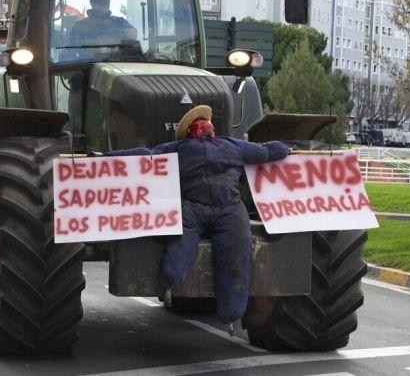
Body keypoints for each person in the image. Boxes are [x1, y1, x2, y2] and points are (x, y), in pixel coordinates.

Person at [106, 105, 290, 326]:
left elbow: (146, 155)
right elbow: (266, 151)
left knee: (180, 252)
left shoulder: (177, 148)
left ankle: (171, 285)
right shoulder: (231, 145)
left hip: (193, 209)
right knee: (236, 257)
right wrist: (286, 149)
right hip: (228, 209)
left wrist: (105, 157)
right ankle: (230, 313)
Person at [69, 0, 137, 49]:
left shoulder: (120, 22)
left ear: (109, 4)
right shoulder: (79, 26)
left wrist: (120, 34)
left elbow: (133, 34)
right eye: (99, 1)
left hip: (117, 61)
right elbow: (70, 50)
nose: (102, 4)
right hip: (86, 62)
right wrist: (94, 43)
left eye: (105, 2)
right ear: (91, 2)